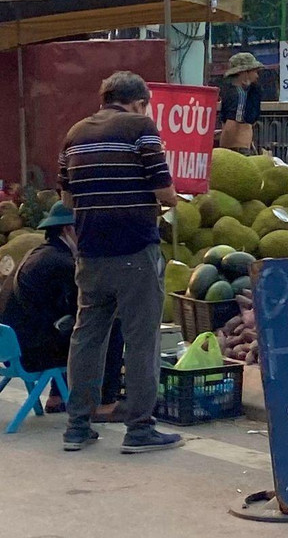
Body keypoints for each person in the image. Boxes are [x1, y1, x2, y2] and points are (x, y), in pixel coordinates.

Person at [59, 71, 183, 454]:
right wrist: (172, 199)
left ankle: (77, 426)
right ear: (141, 101)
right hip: (135, 252)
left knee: (87, 339)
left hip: (91, 253)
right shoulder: (140, 127)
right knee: (141, 340)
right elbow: (165, 190)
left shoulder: (74, 134)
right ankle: (140, 428)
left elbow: (66, 201)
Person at [0, 203, 125, 419]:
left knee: (68, 327)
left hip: (12, 350)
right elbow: (90, 310)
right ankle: (105, 402)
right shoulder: (62, 263)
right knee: (110, 327)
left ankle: (57, 398)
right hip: (32, 354)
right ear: (68, 229)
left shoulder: (38, 253)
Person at [218, 52, 264, 154]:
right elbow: (231, 126)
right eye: (254, 72)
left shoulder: (240, 93)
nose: (257, 76)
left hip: (241, 149)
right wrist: (223, 151)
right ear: (245, 73)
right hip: (238, 151)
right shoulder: (238, 95)